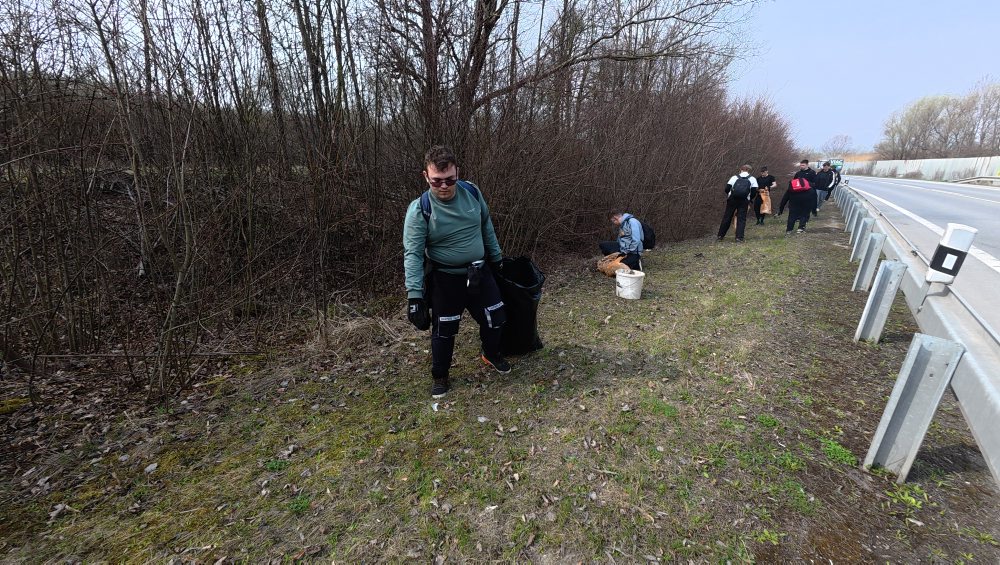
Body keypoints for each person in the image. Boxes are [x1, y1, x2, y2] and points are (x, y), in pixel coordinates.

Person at [403, 146, 510, 399]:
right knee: (445, 330)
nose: (443, 186)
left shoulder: (472, 192)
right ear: (426, 177)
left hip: (479, 272)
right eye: (437, 181)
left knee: (496, 317)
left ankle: (491, 354)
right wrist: (415, 296)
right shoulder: (420, 209)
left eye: (449, 180)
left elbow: (486, 225)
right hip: (445, 278)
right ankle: (440, 375)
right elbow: (413, 254)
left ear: (457, 174)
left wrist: (497, 260)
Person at [717, 164, 757, 242]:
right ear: (749, 170)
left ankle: (720, 236)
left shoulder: (734, 177)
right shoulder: (752, 179)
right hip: (744, 200)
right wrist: (749, 199)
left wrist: (730, 195)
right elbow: (754, 192)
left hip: (732, 199)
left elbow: (727, 189)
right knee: (741, 219)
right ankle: (739, 238)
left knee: (727, 217)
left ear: (741, 169)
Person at [778, 159, 817, 234]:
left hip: (804, 194)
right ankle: (797, 228)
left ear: (807, 165)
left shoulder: (812, 173)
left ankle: (793, 229)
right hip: (803, 195)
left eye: (803, 165)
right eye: (801, 165)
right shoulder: (798, 173)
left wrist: (781, 209)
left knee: (798, 213)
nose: (801, 166)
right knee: (802, 213)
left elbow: (785, 197)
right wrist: (814, 209)